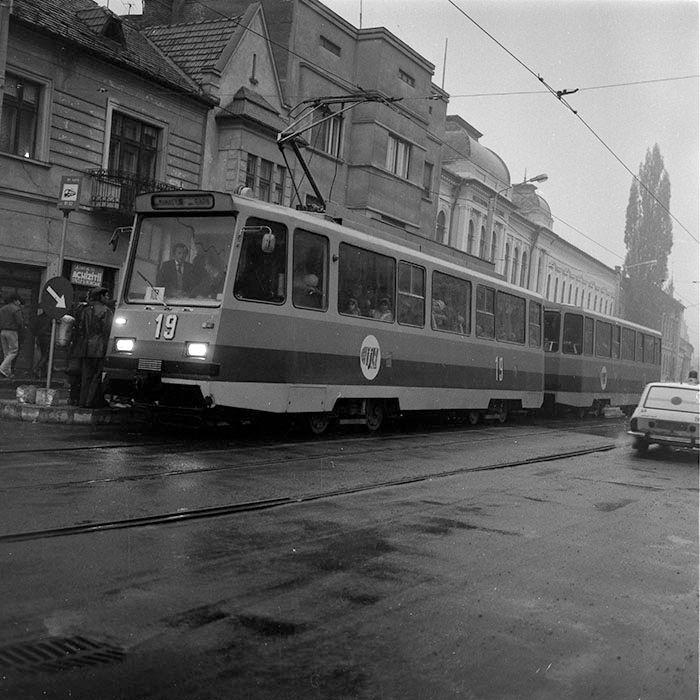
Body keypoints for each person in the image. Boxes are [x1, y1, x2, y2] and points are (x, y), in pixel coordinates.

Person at [75, 287, 113, 408]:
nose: (107, 298)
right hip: (99, 347)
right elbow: (108, 330)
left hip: (85, 347)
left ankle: (82, 401)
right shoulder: (106, 311)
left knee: (86, 376)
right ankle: (90, 402)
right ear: (100, 297)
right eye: (106, 296)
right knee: (96, 376)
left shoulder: (85, 310)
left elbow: (80, 328)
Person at [0, 294, 25, 379]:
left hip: (2, 331)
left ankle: (7, 372)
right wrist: (22, 328)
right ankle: (2, 368)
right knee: (14, 351)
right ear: (15, 300)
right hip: (12, 331)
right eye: (19, 301)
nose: (19, 303)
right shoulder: (16, 309)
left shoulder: (2, 309)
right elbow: (20, 322)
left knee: (6, 353)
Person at [31, 308, 52, 379]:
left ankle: (44, 373)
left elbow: (33, 328)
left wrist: (37, 335)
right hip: (48, 337)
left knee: (43, 354)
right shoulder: (50, 318)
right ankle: (37, 369)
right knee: (46, 355)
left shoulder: (39, 317)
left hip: (40, 337)